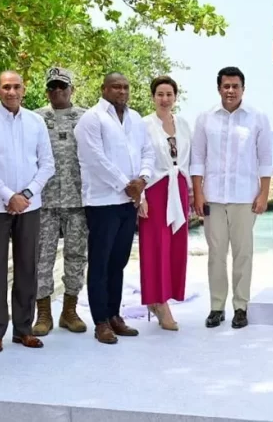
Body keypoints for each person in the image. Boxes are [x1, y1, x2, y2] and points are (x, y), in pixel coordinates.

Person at [74, 72, 155, 344]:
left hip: (128, 202)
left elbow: (148, 151)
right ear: (104, 89)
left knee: (118, 262)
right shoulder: (91, 119)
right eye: (116, 87)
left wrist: (142, 179)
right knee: (100, 262)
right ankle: (100, 321)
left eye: (125, 87)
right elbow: (94, 159)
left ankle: (114, 315)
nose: (122, 91)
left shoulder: (135, 119)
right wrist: (125, 184)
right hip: (102, 201)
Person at [0, 71, 55, 354]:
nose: (12, 91)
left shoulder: (36, 122)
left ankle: (23, 330)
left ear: (24, 90)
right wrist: (7, 195)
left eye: (16, 87)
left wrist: (24, 195)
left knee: (27, 267)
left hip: (29, 205)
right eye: (6, 87)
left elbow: (47, 164)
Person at [190, 66, 272, 330]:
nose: (230, 91)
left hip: (245, 197)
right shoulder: (205, 119)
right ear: (219, 88)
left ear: (243, 89)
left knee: (243, 254)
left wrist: (263, 193)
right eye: (226, 86)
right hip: (213, 197)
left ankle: (240, 306)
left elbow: (266, 160)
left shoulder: (257, 118)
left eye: (235, 86)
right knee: (216, 255)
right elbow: (197, 159)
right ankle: (216, 307)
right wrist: (198, 193)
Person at [32, 67, 88, 336]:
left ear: (71, 90)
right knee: (41, 257)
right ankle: (43, 313)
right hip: (45, 201)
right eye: (52, 87)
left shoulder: (86, 118)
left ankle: (69, 310)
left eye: (62, 87)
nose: (57, 91)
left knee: (76, 256)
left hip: (78, 200)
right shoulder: (35, 119)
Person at [138, 75, 192, 331]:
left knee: (176, 246)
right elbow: (137, 160)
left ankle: (166, 296)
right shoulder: (144, 124)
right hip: (155, 189)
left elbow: (188, 161)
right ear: (153, 96)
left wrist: (191, 193)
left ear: (175, 97)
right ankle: (158, 302)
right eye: (160, 94)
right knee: (156, 245)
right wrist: (141, 197)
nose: (165, 99)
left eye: (169, 94)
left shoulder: (182, 124)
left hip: (178, 187)